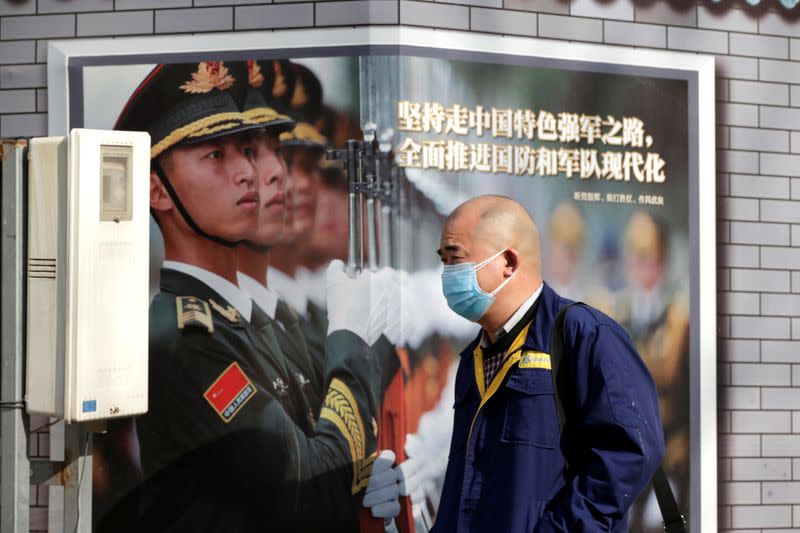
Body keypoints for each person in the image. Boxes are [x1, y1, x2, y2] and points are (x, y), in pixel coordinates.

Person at [104, 61, 400, 532]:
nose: (248, 172)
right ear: (157, 191)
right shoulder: (183, 338)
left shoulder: (244, 320)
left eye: (244, 150)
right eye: (215, 156)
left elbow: (314, 468)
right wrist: (349, 339)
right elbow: (307, 486)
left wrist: (360, 481)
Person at [432, 194, 665, 532]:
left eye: (457, 260)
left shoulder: (584, 335)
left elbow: (629, 453)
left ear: (508, 263)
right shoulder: (474, 358)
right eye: (444, 261)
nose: (448, 274)